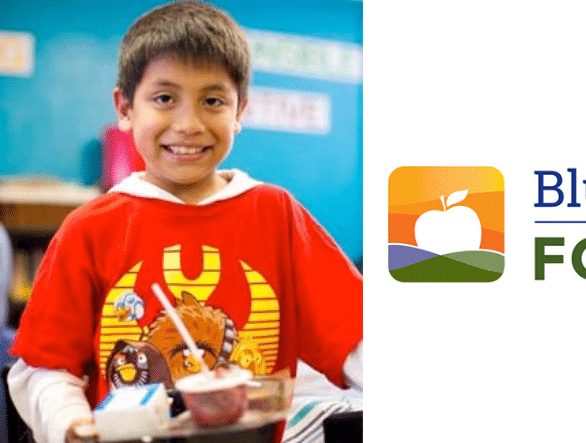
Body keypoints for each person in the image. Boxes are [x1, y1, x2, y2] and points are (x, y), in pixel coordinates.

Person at [5, 2, 363, 442]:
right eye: (164, 98)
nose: (188, 124)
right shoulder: (88, 228)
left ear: (240, 111)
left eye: (212, 100)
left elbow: (357, 338)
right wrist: (70, 425)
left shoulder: (276, 214)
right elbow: (45, 367)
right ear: (124, 107)